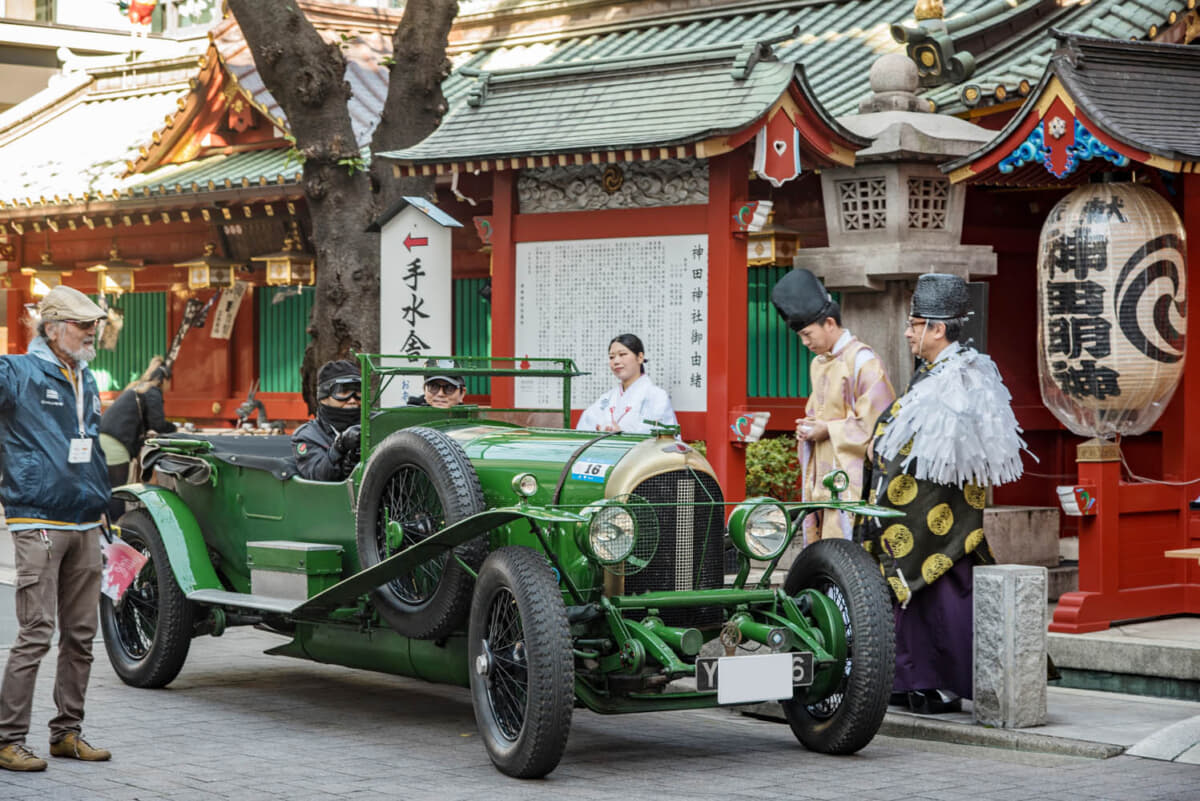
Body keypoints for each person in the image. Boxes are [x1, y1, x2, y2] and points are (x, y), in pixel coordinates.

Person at [856, 273, 1026, 715]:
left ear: (938, 328)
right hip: (916, 508)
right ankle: (909, 678)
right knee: (918, 600)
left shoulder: (963, 377)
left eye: (915, 324)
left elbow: (946, 460)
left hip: (938, 512)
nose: (909, 333)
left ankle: (938, 683)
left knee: (939, 596)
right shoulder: (935, 374)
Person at [0, 285, 113, 771]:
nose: (91, 332)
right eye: (82, 324)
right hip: (38, 519)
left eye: (94, 325)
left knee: (82, 634)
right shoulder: (16, 371)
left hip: (86, 519)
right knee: (36, 632)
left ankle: (67, 732)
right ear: (51, 328)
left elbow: (92, 445)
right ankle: (8, 739)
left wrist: (106, 502)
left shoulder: (86, 377)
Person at [771, 268, 895, 542]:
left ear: (829, 322)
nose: (805, 343)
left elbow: (880, 425)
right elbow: (817, 412)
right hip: (825, 475)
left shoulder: (863, 361)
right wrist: (808, 428)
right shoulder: (819, 363)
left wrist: (827, 429)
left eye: (807, 334)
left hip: (854, 480)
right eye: (800, 336)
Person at [99, 356, 177, 521]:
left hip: (102, 440)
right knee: (117, 492)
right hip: (115, 444)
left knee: (108, 491)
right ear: (165, 380)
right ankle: (117, 533)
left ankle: (108, 533)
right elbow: (158, 423)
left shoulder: (138, 388)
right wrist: (176, 428)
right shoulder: (153, 391)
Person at [576, 334, 677, 434]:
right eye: (611, 357)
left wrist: (622, 434)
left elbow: (661, 437)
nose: (616, 361)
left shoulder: (656, 396)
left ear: (640, 357)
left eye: (622, 354)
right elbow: (585, 426)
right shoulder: (607, 398)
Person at [292, 359, 362, 482]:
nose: (352, 400)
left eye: (358, 392)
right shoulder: (308, 436)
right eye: (344, 392)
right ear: (323, 397)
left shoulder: (375, 423)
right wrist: (340, 446)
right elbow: (317, 475)